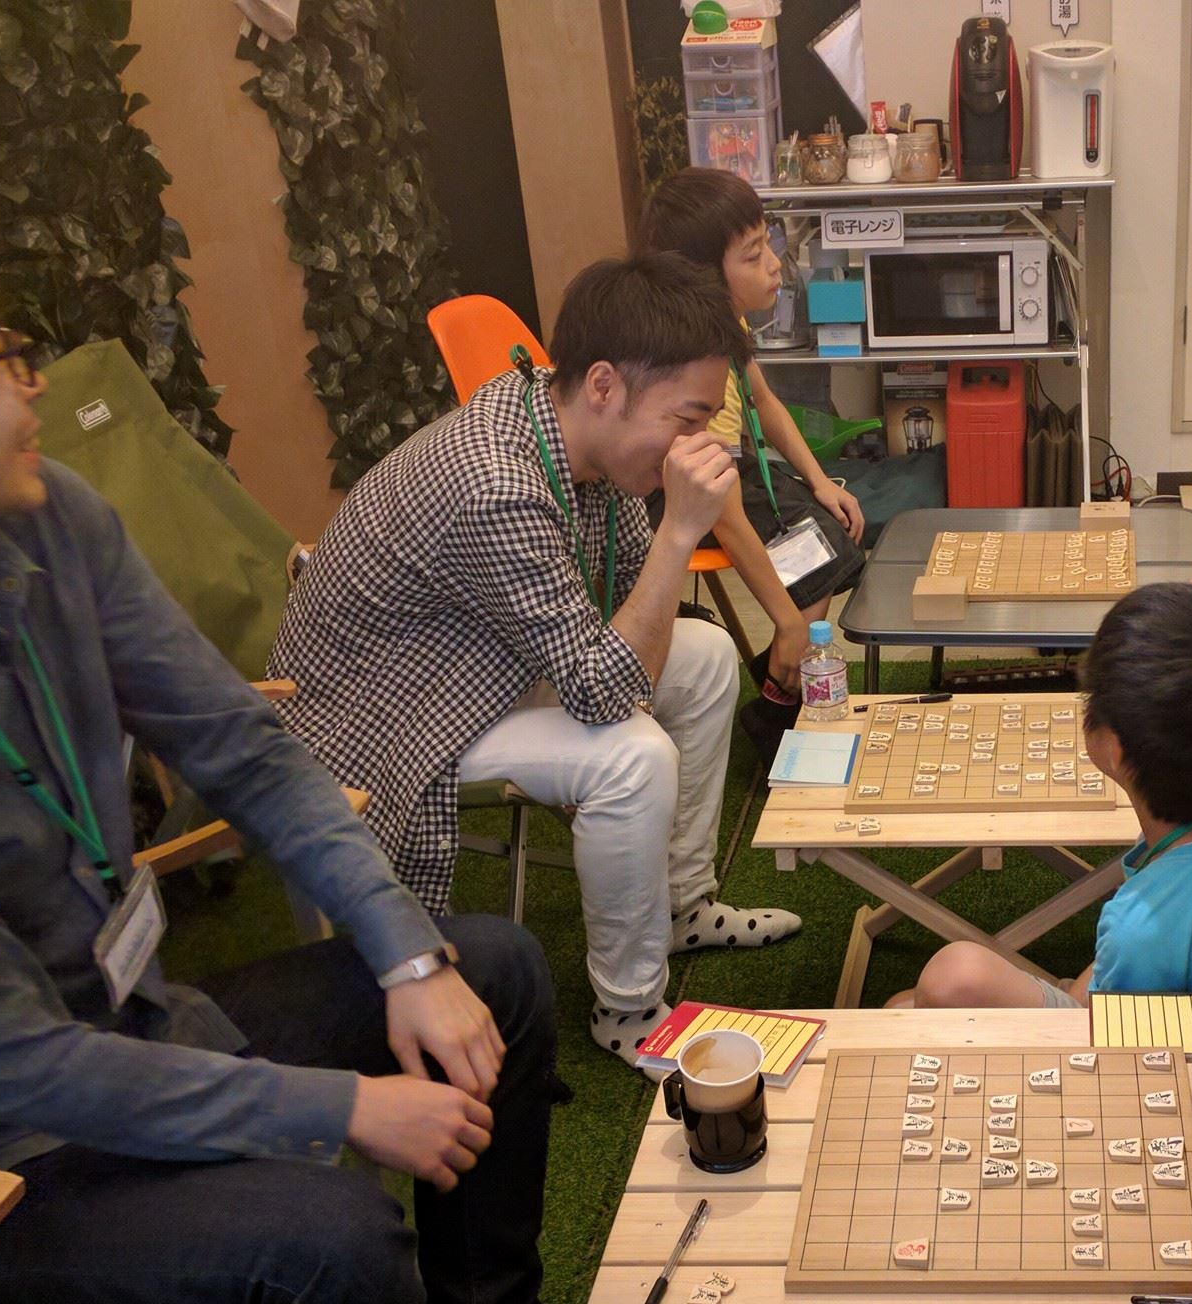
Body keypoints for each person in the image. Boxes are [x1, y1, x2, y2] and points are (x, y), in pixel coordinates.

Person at [0, 319, 612, 1304]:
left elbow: (248, 748)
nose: (33, 380)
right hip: (5, 1161)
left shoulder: (52, 521)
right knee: (332, 1236)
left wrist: (407, 952)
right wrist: (338, 1106)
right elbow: (23, 1065)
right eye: (0, 357)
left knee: (493, 967)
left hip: (145, 1022)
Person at [269, 253, 800, 1071]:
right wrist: (679, 530)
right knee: (632, 756)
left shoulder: (572, 432)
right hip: (386, 711)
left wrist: (661, 537)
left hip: (472, 659)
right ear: (604, 385)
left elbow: (625, 619)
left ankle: (681, 906)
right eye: (688, 420)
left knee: (705, 658)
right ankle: (630, 1010)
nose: (696, 447)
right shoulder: (499, 482)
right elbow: (602, 690)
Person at [897, 583, 1192, 1106]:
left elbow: (1107, 1059)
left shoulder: (1149, 923)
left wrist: (1075, 1000)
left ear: (1113, 749)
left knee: (951, 979)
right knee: (913, 1004)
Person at [636, 168, 868, 743]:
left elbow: (764, 402)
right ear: (702, 276)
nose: (774, 265)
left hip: (731, 474)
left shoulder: (725, 320)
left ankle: (778, 680)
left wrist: (820, 480)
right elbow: (721, 509)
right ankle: (783, 691)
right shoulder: (692, 360)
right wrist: (788, 621)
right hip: (681, 495)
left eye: (769, 245)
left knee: (832, 532)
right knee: (816, 556)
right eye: (753, 254)